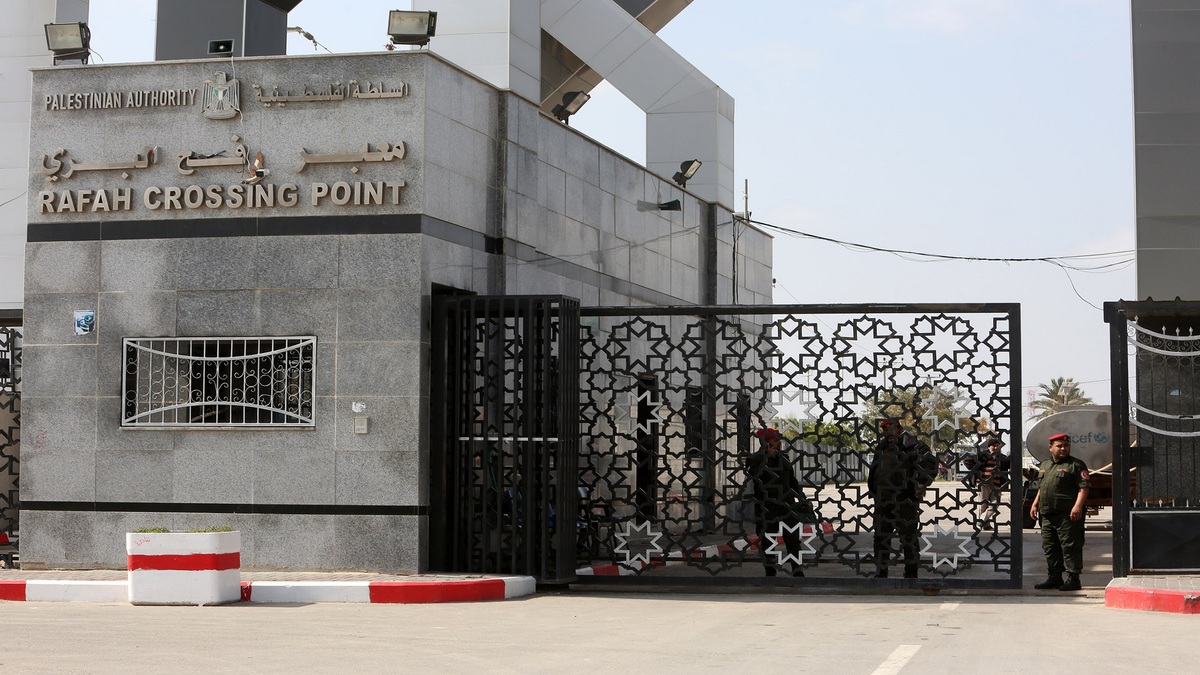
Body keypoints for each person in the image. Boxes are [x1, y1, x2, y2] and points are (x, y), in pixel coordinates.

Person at [867, 418, 937, 579]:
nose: (888, 433)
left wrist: (921, 483)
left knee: (908, 537)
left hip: (904, 500)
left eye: (891, 429)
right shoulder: (882, 446)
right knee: (881, 537)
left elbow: (930, 463)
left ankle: (911, 573)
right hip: (882, 500)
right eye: (885, 430)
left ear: (899, 428)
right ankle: (881, 571)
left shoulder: (912, 445)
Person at [745, 427, 814, 577]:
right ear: (766, 442)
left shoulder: (784, 457)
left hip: (787, 506)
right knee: (768, 540)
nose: (779, 442)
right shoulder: (755, 459)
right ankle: (770, 572)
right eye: (776, 440)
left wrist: (801, 498)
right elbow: (755, 477)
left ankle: (797, 571)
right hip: (767, 508)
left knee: (793, 539)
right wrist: (766, 457)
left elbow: (792, 481)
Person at [1030, 432, 1090, 591]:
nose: (1063, 448)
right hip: (1047, 514)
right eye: (1059, 446)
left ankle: (1073, 578)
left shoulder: (1076, 465)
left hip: (1067, 515)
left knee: (1070, 546)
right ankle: (1054, 577)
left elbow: (1083, 488)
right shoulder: (1044, 465)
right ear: (1051, 448)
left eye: (1066, 446)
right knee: (1050, 547)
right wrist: (1035, 504)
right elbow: (1042, 487)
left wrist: (1077, 506)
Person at [965, 435, 1011, 524]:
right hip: (983, 484)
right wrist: (977, 469)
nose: (995, 447)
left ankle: (981, 520)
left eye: (997, 446)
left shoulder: (1002, 458)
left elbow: (1010, 465)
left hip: (996, 485)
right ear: (989, 446)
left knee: (995, 504)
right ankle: (985, 524)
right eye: (994, 446)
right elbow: (967, 461)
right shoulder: (982, 456)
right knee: (983, 505)